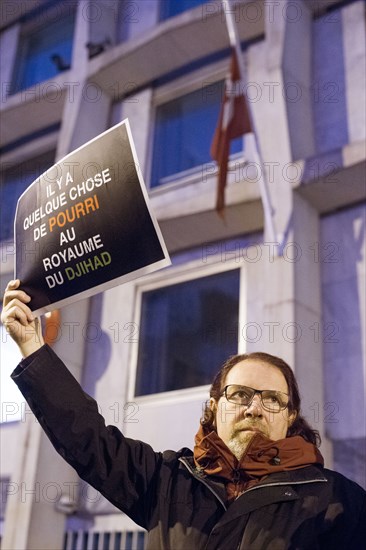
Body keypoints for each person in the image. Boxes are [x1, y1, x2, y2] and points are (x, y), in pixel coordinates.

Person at [2, 279, 365, 549]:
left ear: (290, 416)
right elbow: (85, 436)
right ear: (214, 407)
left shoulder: (340, 501)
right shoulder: (166, 481)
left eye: (272, 399)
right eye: (240, 394)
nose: (254, 407)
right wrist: (33, 347)